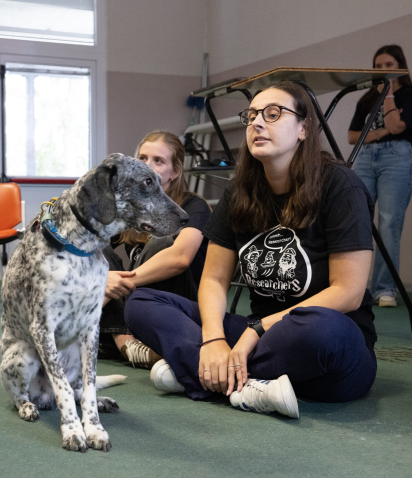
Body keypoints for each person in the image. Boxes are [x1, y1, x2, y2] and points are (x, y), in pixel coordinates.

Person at [125, 81, 377, 418]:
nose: (257, 122)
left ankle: (201, 373)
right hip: (259, 336)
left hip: (327, 348)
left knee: (322, 327)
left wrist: (254, 332)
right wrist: (214, 339)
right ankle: (244, 383)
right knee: (142, 301)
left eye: (272, 114)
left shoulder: (340, 185)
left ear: (303, 128)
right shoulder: (239, 192)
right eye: (252, 115)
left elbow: (348, 292)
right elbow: (214, 279)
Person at [99, 131, 211, 368]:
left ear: (175, 172)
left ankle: (118, 340)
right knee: (97, 248)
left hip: (176, 305)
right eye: (142, 158)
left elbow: (180, 258)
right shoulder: (129, 207)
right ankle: (124, 340)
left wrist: (116, 283)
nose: (147, 166)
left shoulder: (195, 206)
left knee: (163, 244)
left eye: (158, 161)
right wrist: (102, 279)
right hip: (131, 303)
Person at [348, 45, 412, 308]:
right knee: (356, 218)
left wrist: (388, 94)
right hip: (366, 157)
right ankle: (353, 287)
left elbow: (396, 127)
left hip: (397, 157)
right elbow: (353, 136)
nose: (383, 70)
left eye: (389, 65)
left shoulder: (408, 94)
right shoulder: (366, 98)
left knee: (388, 223)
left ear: (400, 67)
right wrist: (379, 133)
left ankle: (385, 289)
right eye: (378, 66)